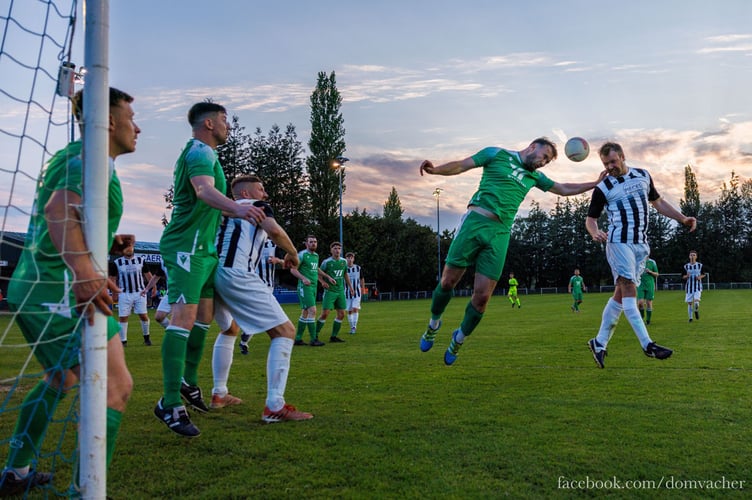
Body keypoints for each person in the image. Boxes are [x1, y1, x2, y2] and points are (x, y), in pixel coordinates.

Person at [0, 88, 139, 496]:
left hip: (42, 282)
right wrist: (83, 271)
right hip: (57, 287)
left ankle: (16, 472)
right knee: (116, 387)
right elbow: (58, 209)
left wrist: (105, 245)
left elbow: (66, 215)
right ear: (109, 122)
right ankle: (87, 491)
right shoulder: (87, 159)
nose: (138, 126)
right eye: (132, 116)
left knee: (62, 378)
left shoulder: (88, 160)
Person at [418, 137, 605, 366]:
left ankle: (459, 338)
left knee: (483, 297)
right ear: (532, 147)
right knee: (448, 282)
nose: (543, 163)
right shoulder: (496, 154)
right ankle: (433, 325)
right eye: (544, 156)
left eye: (547, 161)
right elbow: (462, 165)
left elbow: (562, 188)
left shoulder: (534, 176)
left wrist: (594, 183)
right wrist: (435, 170)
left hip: (500, 234)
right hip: (475, 222)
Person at [155, 101, 266, 437]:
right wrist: (239, 209)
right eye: (223, 119)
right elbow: (204, 191)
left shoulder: (210, 155)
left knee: (204, 319)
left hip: (204, 249)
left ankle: (188, 381)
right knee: (183, 320)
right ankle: (169, 402)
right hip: (186, 246)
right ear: (207, 123)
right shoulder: (199, 153)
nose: (227, 125)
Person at [210, 175, 313, 421]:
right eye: (261, 189)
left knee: (230, 329)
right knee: (285, 332)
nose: (265, 194)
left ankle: (219, 393)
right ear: (246, 194)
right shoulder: (257, 206)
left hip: (214, 273)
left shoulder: (222, 210)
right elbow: (274, 230)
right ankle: (274, 406)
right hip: (238, 274)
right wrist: (292, 253)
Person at [586, 142, 697, 368]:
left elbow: (658, 202)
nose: (610, 167)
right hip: (618, 242)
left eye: (613, 162)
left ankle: (599, 342)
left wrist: (683, 218)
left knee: (620, 295)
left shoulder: (643, 176)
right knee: (629, 289)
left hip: (641, 245)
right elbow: (591, 219)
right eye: (606, 164)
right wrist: (595, 232)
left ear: (623, 156)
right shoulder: (603, 187)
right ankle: (648, 345)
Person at [109, 237, 159, 346]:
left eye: (130, 247)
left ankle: (147, 338)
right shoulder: (117, 262)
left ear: (133, 248)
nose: (128, 249)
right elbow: (112, 279)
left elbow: (148, 276)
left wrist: (154, 288)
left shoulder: (140, 260)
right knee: (123, 317)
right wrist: (114, 293)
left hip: (140, 293)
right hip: (124, 293)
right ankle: (123, 341)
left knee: (143, 315)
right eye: (126, 248)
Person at [238, 239, 283, 355]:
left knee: (260, 314)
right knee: (268, 314)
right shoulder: (249, 242)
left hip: (269, 285)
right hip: (253, 283)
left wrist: (276, 260)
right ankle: (279, 342)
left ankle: (245, 337)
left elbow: (285, 263)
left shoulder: (274, 244)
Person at [316, 242, 353, 343]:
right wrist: (322, 282)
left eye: (339, 248)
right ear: (331, 250)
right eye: (335, 248)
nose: (337, 250)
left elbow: (345, 274)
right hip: (330, 291)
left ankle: (333, 336)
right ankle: (315, 335)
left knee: (341, 314)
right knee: (325, 314)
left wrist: (350, 287)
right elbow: (318, 273)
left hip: (340, 291)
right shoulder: (326, 262)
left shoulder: (343, 262)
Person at [290, 235, 323, 346]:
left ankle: (298, 339)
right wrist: (303, 278)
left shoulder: (316, 256)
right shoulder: (302, 255)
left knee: (305, 312)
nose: (313, 243)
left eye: (315, 241)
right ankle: (313, 339)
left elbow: (316, 269)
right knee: (313, 311)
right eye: (311, 242)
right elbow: (293, 270)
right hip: (305, 287)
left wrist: (326, 278)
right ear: (306, 244)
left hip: (313, 286)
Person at [683, 250, 705, 322]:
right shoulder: (686, 266)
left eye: (694, 255)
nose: (692, 256)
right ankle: (690, 318)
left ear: (696, 256)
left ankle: (696, 310)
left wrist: (699, 277)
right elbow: (682, 276)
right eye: (691, 255)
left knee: (696, 300)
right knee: (689, 303)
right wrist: (687, 276)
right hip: (689, 287)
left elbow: (704, 274)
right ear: (689, 256)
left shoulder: (700, 265)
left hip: (698, 286)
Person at [345, 251, 365, 334]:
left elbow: (362, 278)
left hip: (357, 292)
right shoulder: (344, 268)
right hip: (346, 292)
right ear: (346, 259)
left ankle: (354, 327)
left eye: (351, 257)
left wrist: (363, 288)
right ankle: (351, 326)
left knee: (355, 309)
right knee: (349, 311)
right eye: (348, 257)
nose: (350, 259)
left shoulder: (358, 268)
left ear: (353, 259)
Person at [637, 256, 659, 324]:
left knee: (649, 303)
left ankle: (648, 320)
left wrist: (650, 272)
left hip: (650, 285)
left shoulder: (652, 262)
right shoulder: (637, 261)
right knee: (640, 303)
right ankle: (642, 316)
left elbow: (657, 274)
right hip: (640, 284)